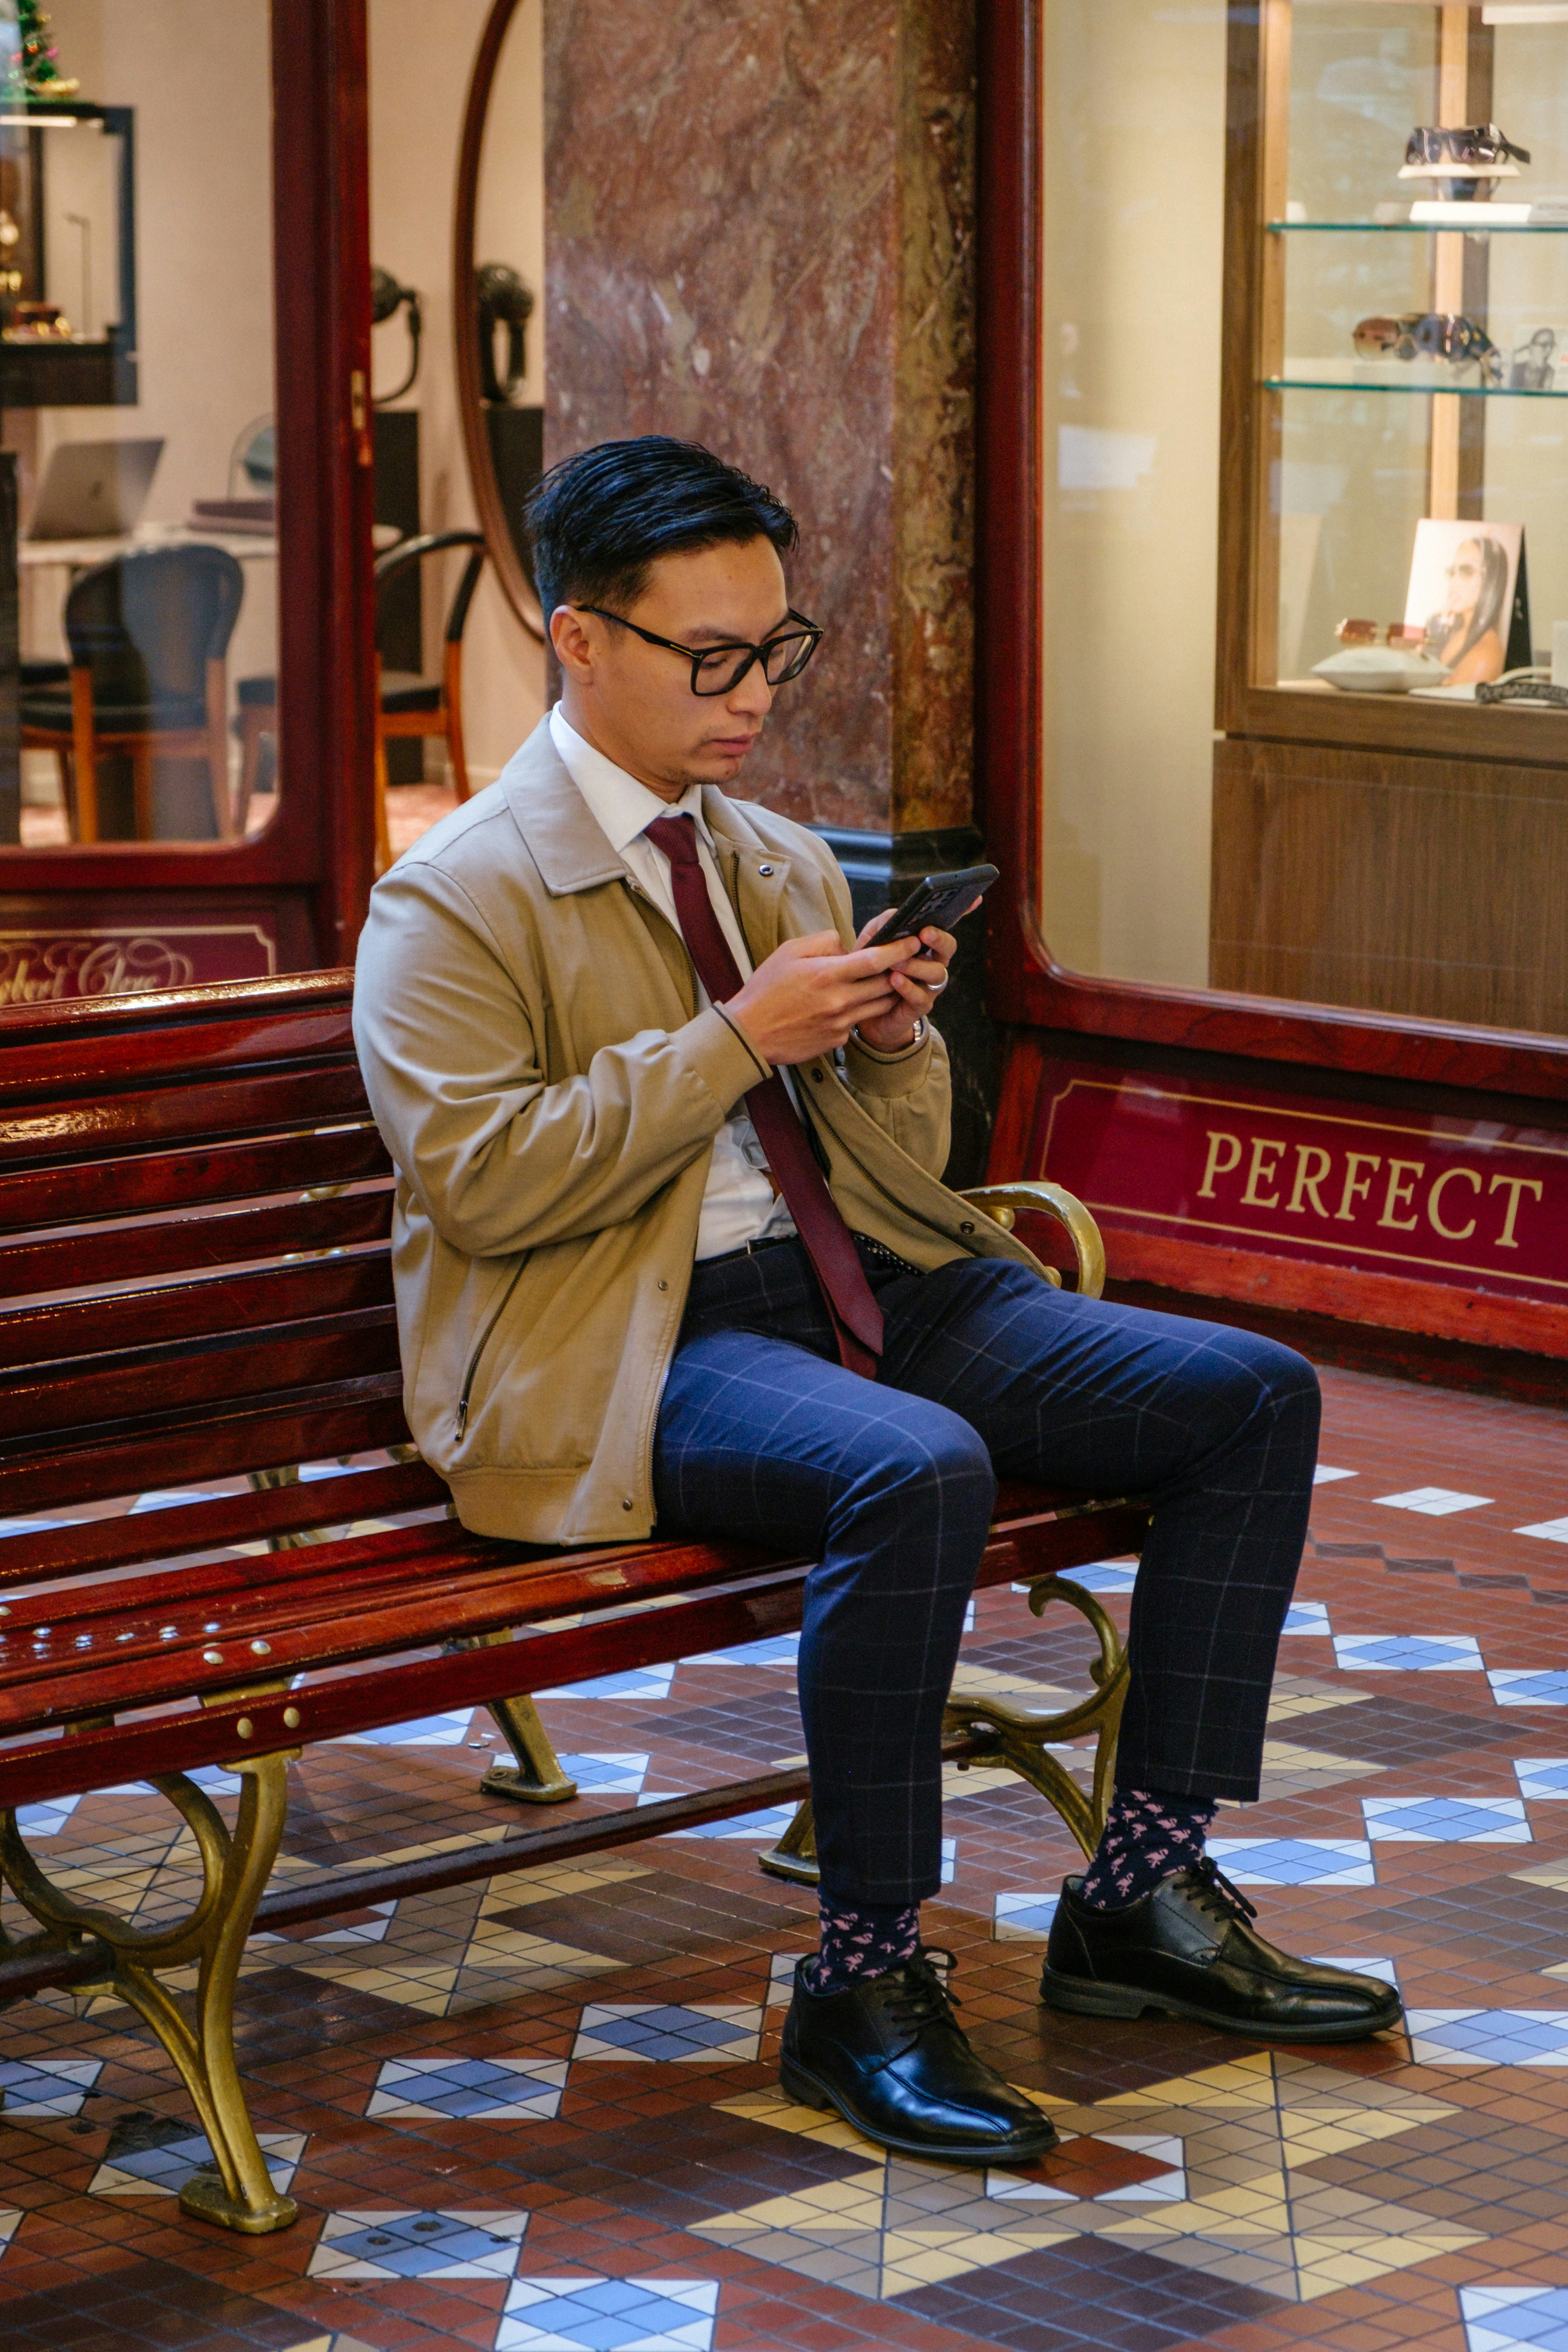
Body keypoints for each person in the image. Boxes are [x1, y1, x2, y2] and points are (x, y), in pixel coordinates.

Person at [353, 436, 1403, 2171]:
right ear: (578, 638)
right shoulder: (454, 895)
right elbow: (483, 1185)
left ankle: (1138, 1892)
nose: (750, 694)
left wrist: (895, 1034)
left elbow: (887, 1151)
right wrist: (731, 1040)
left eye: (775, 649)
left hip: (862, 1283)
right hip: (631, 1339)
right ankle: (858, 1981)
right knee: (910, 1469)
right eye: (709, 658)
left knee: (1246, 1391)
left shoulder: (761, 855)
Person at [1427, 532, 1509, 683]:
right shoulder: (1454, 633)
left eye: (1467, 571)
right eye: (1452, 572)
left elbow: (1446, 705)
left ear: (1490, 580)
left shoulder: (1486, 652)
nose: (1454, 582)